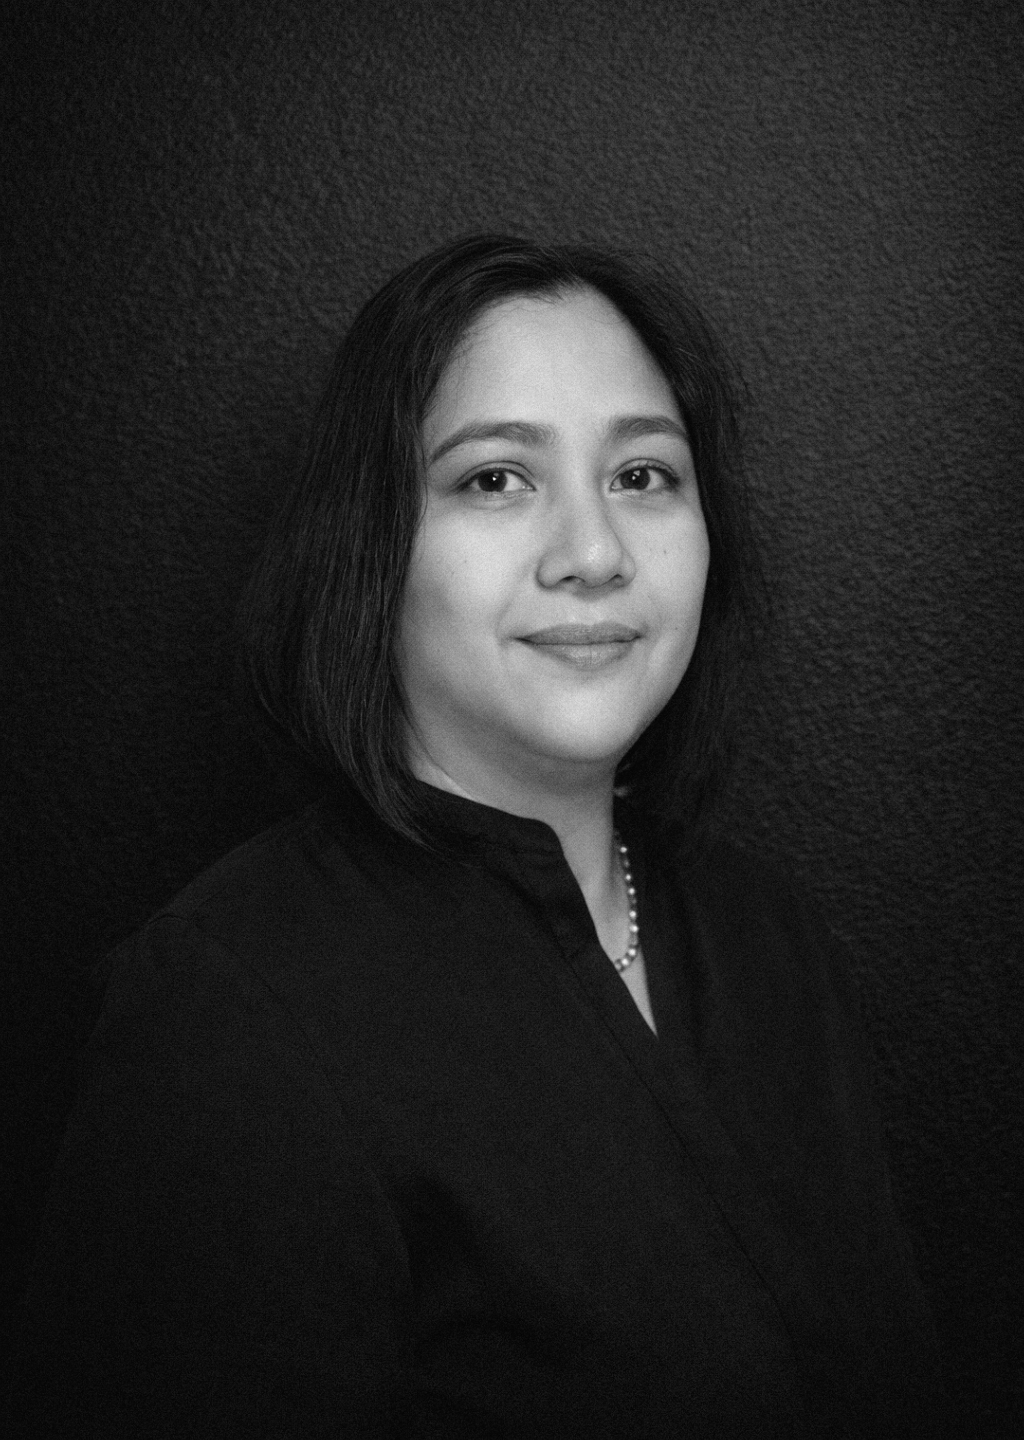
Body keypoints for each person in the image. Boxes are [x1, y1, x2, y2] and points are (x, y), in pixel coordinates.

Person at [8, 237, 942, 1437]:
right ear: (371, 545)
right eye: (495, 479)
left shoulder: (767, 934)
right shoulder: (222, 1009)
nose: (594, 554)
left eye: (644, 476)